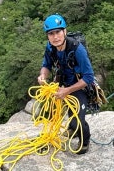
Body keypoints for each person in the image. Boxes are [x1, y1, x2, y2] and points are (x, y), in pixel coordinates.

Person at [37, 14, 95, 154]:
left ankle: (84, 139)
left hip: (79, 86)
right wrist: (43, 75)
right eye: (51, 33)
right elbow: (46, 65)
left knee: (77, 120)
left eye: (58, 32)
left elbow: (89, 77)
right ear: (48, 36)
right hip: (60, 85)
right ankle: (47, 138)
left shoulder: (77, 49)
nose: (55, 36)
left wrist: (67, 91)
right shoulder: (50, 48)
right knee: (46, 112)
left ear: (65, 31)